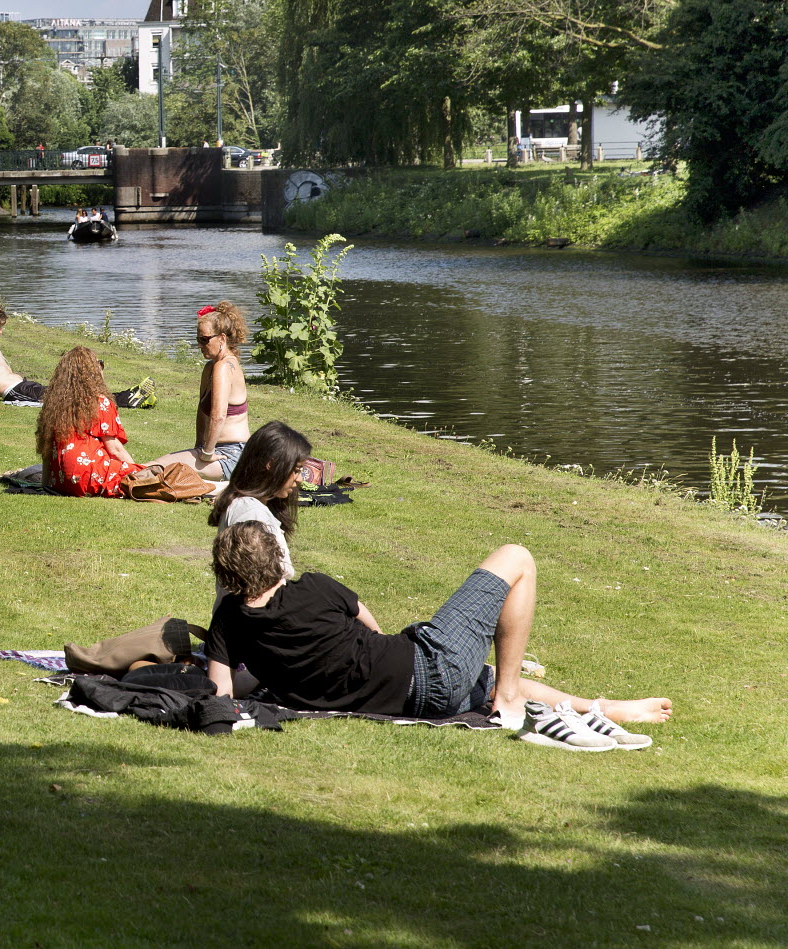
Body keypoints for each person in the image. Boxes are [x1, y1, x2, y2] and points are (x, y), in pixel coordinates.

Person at [206, 523, 671, 748]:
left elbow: (221, 694)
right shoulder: (315, 587)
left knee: (488, 676)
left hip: (413, 702)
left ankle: (603, 709)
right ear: (279, 561)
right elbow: (374, 627)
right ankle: (509, 704)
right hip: (425, 667)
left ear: (227, 575)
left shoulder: (229, 619)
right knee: (517, 558)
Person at [145, 302, 253, 480]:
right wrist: (197, 449)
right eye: (198, 340)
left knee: (153, 470)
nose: (200, 345)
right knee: (153, 468)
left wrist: (207, 454)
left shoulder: (224, 367)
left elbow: (218, 416)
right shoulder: (211, 367)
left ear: (222, 339)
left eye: (204, 339)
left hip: (232, 454)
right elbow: (202, 413)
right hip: (215, 451)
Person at [205, 420, 309, 597]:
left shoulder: (252, 505)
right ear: (272, 465)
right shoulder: (250, 513)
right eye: (296, 470)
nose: (299, 479)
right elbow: (256, 587)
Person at [34, 346, 139, 496]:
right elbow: (115, 449)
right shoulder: (100, 402)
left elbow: (46, 451)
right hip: (88, 476)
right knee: (145, 473)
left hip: (61, 482)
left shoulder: (54, 405)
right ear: (92, 372)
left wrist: (46, 485)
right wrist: (137, 473)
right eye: (99, 364)